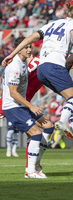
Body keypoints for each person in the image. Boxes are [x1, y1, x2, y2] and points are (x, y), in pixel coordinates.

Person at [2, 4, 73, 140]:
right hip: (52, 68)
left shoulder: (51, 24)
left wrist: (11, 54)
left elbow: (29, 38)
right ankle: (64, 123)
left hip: (43, 69)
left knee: (72, 99)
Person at [1, 38, 53, 178]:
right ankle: (30, 170)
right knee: (36, 133)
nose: (30, 49)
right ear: (19, 48)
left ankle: (34, 165)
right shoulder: (15, 67)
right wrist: (31, 106)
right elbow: (13, 93)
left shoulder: (24, 62)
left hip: (20, 106)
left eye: (30, 47)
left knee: (48, 126)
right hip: (12, 106)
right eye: (26, 47)